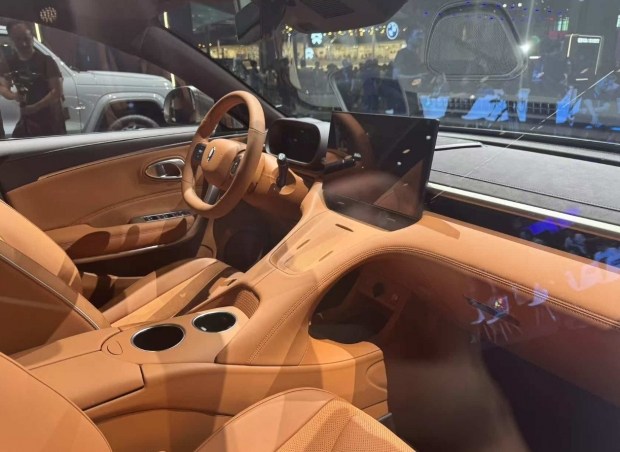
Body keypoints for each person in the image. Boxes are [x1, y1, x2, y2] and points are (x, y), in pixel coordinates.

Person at [0, 21, 66, 138]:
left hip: (50, 119)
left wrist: (34, 108)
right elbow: (3, 87)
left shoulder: (46, 61)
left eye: (26, 38)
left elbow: (57, 91)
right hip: (27, 120)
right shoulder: (9, 63)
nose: (23, 43)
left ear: (32, 36)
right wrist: (14, 95)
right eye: (18, 39)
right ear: (11, 40)